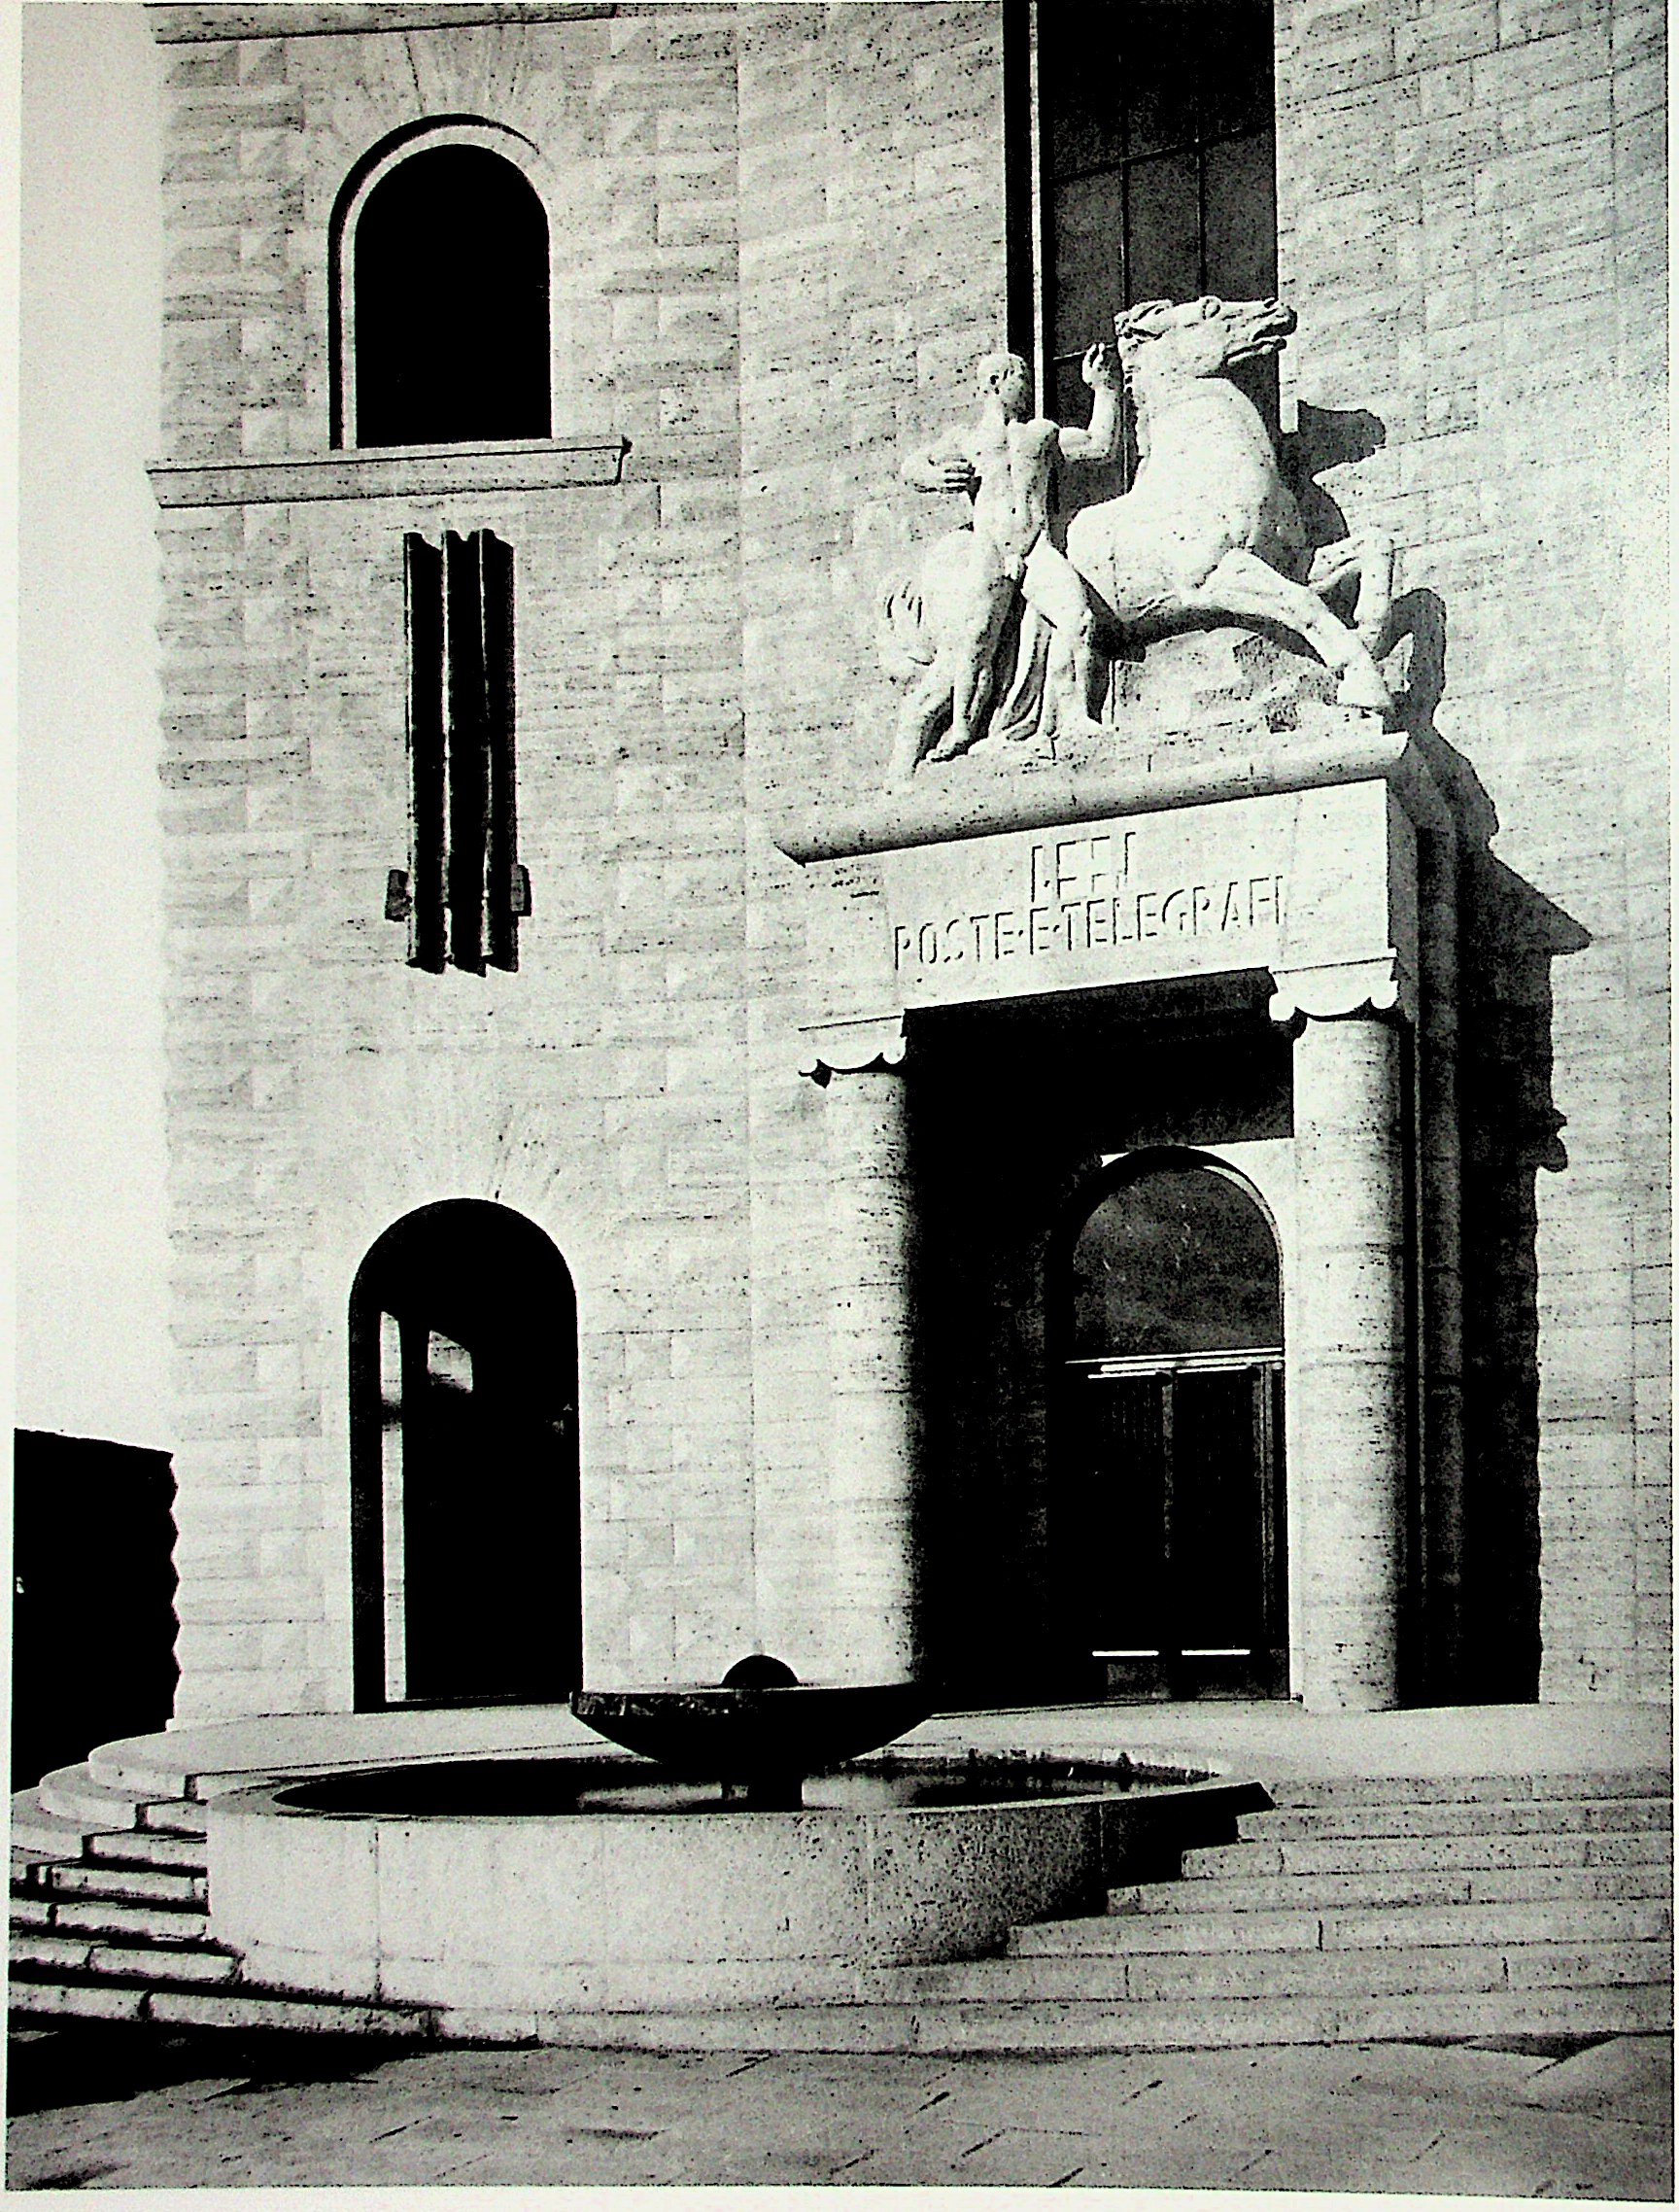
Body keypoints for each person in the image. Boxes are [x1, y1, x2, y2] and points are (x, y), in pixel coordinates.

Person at [894, 343, 1121, 776]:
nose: (1028, 387)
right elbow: (911, 465)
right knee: (976, 644)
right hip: (990, 549)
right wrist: (931, 475)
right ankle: (963, 728)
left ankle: (1077, 717)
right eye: (1021, 379)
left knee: (1079, 619)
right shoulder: (967, 440)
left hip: (1035, 545)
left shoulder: (1041, 434)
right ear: (995, 384)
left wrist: (1103, 388)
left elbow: (1100, 445)